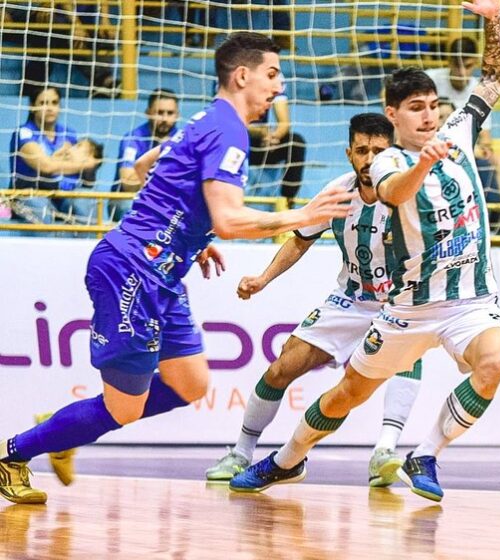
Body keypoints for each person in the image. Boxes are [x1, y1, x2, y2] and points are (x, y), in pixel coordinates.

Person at [0, 32, 356, 505]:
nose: (280, 86)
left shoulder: (205, 118)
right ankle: (15, 454)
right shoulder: (228, 130)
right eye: (272, 74)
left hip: (162, 273)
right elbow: (229, 220)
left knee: (191, 383)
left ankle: (64, 428)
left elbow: (147, 167)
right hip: (131, 270)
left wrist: (193, 234)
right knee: (123, 409)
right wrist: (303, 215)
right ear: (242, 75)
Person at [229, 0, 500, 503]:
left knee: (497, 358)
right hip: (406, 309)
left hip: (471, 302)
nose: (428, 116)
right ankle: (285, 460)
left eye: (432, 106)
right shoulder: (386, 160)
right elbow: (396, 192)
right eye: (415, 108)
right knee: (347, 395)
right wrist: (423, 164)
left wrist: (493, 20)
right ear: (393, 114)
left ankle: (424, 453)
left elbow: (493, 77)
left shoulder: (458, 132)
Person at [206, 113, 423, 488]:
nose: (370, 159)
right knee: (280, 369)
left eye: (378, 151)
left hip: (398, 302)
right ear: (348, 153)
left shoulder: (411, 195)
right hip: (350, 300)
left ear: (395, 156)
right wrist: (263, 279)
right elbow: (300, 240)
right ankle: (241, 451)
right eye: (361, 150)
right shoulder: (337, 193)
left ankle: (384, 453)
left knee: (406, 352)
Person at [426, 37, 500, 233]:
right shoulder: (430, 80)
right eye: (457, 66)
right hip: (433, 144)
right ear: (449, 61)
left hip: (463, 146)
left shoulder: (478, 89)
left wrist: (485, 147)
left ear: (474, 62)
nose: (462, 72)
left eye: (467, 66)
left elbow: (486, 135)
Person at [9, 86, 100, 225]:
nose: (50, 108)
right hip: (29, 194)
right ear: (32, 106)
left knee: (85, 203)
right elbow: (45, 166)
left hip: (62, 194)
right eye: (43, 103)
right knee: (42, 210)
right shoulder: (24, 133)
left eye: (54, 102)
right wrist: (84, 165)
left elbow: (74, 167)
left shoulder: (68, 133)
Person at [111, 89, 180, 221]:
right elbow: (127, 183)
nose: (165, 119)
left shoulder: (182, 140)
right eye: (159, 113)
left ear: (177, 115)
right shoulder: (132, 139)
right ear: (148, 113)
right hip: (128, 199)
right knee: (131, 207)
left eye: (170, 113)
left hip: (168, 201)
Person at [247, 89, 306, 205]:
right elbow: (229, 121)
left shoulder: (276, 77)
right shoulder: (231, 74)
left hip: (261, 142)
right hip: (236, 139)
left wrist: (274, 136)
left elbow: (284, 123)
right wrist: (260, 131)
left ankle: (286, 202)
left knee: (295, 143)